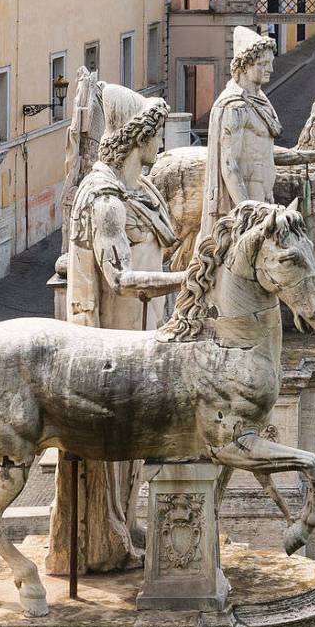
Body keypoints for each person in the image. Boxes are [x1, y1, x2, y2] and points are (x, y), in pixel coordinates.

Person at [47, 87, 184, 575]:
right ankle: (103, 537)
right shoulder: (105, 201)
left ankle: (120, 527)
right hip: (111, 343)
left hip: (147, 335)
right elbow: (121, 280)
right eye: (158, 132)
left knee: (133, 451)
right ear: (138, 137)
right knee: (114, 449)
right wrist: (189, 281)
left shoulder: (141, 189)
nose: (163, 141)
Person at [202, 25, 315, 237]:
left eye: (270, 63)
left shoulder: (259, 101)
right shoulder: (235, 106)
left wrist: (311, 156)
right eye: (263, 64)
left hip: (264, 199)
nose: (271, 69)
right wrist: (248, 212)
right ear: (244, 66)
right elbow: (229, 166)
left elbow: (264, 151)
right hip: (247, 208)